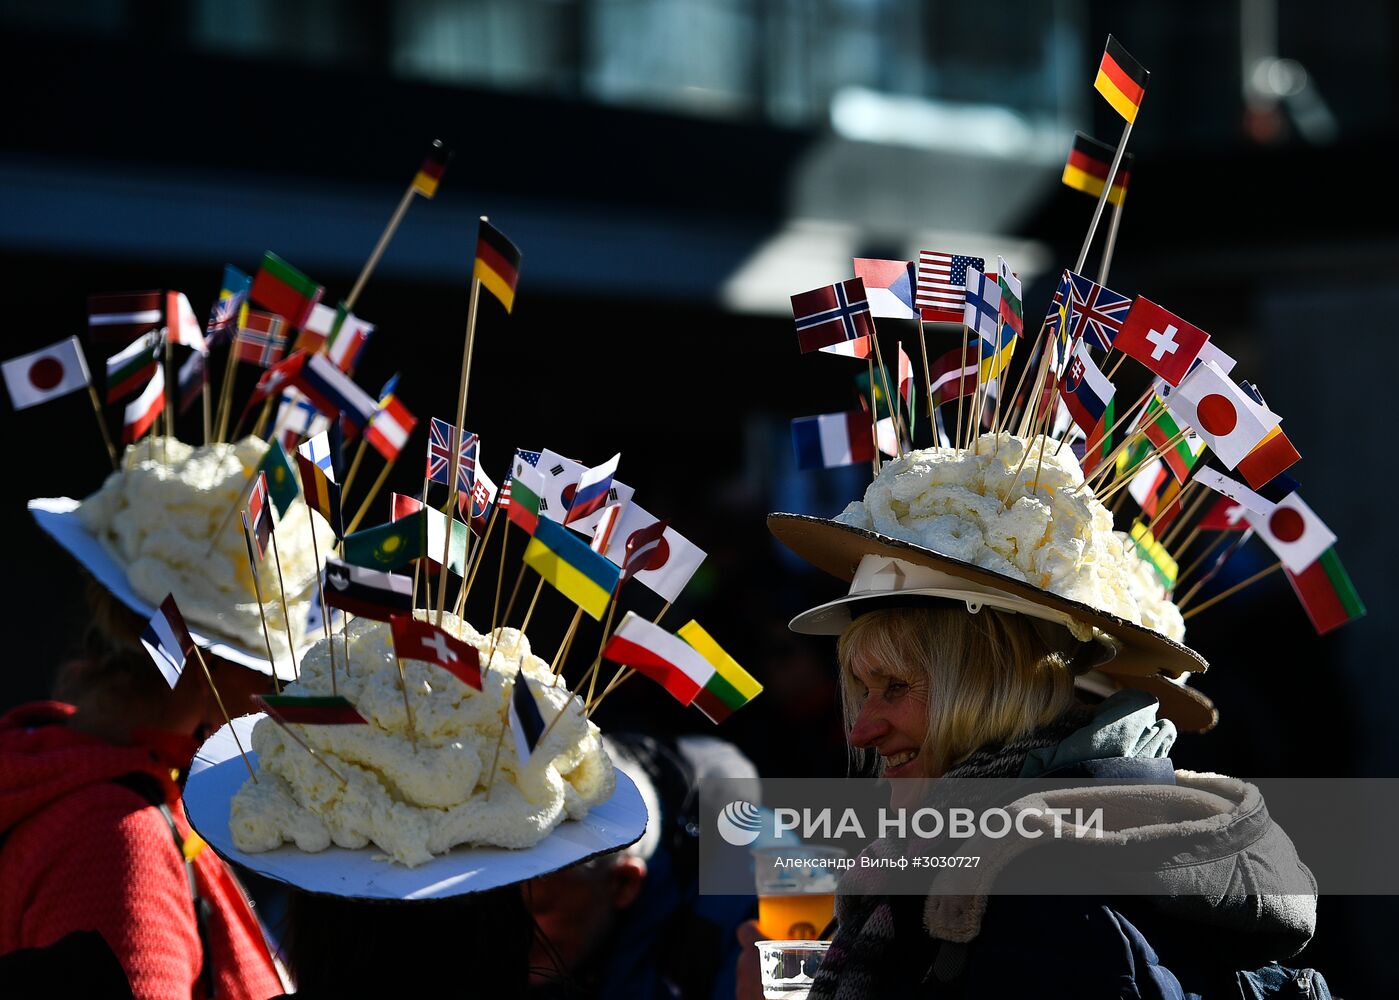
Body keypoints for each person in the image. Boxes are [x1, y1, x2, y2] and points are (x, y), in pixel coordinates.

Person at [740, 520, 1327, 998]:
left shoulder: (1032, 895)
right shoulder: (983, 856)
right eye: (862, 691)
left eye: (895, 687)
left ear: (998, 690)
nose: (862, 730)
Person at [0, 583, 283, 1000]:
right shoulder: (116, 836)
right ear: (211, 669)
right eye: (269, 665)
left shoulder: (68, 753)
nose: (279, 694)